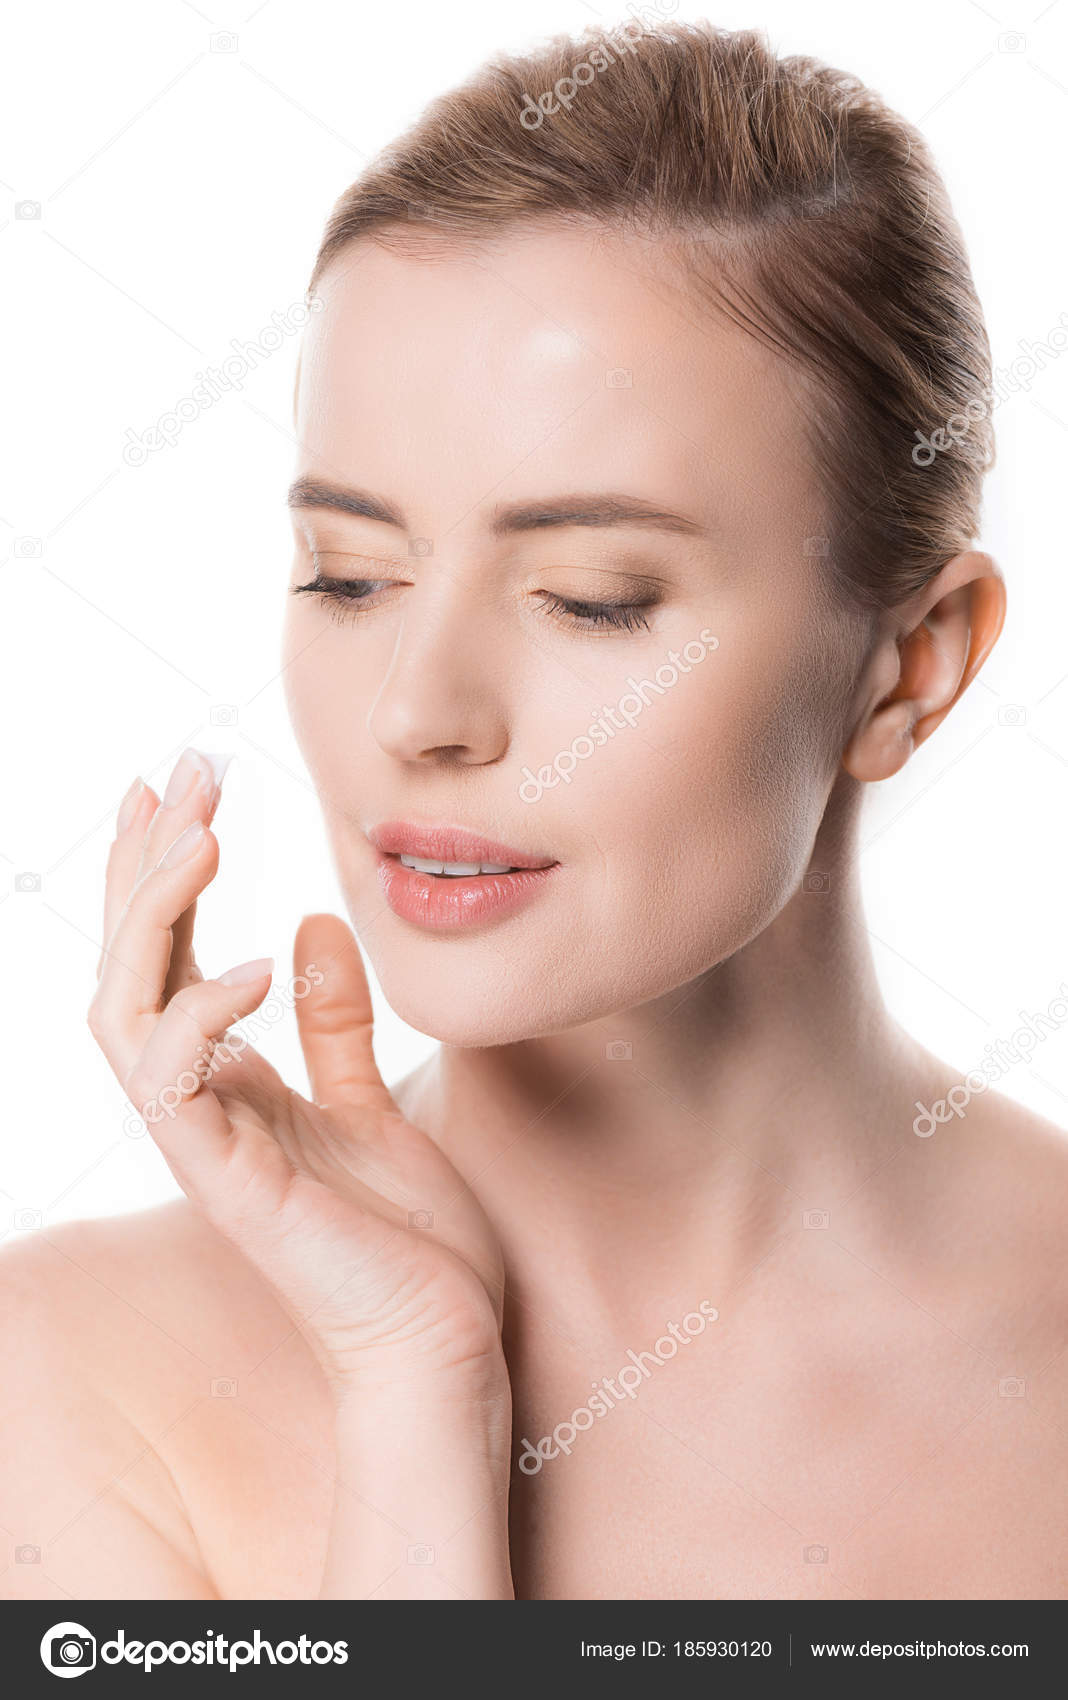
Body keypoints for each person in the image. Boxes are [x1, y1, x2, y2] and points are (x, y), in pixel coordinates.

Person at [5, 20, 1067, 1602]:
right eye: (349, 578)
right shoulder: (68, 1383)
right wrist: (417, 1394)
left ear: (908, 664)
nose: (416, 714)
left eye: (593, 600)